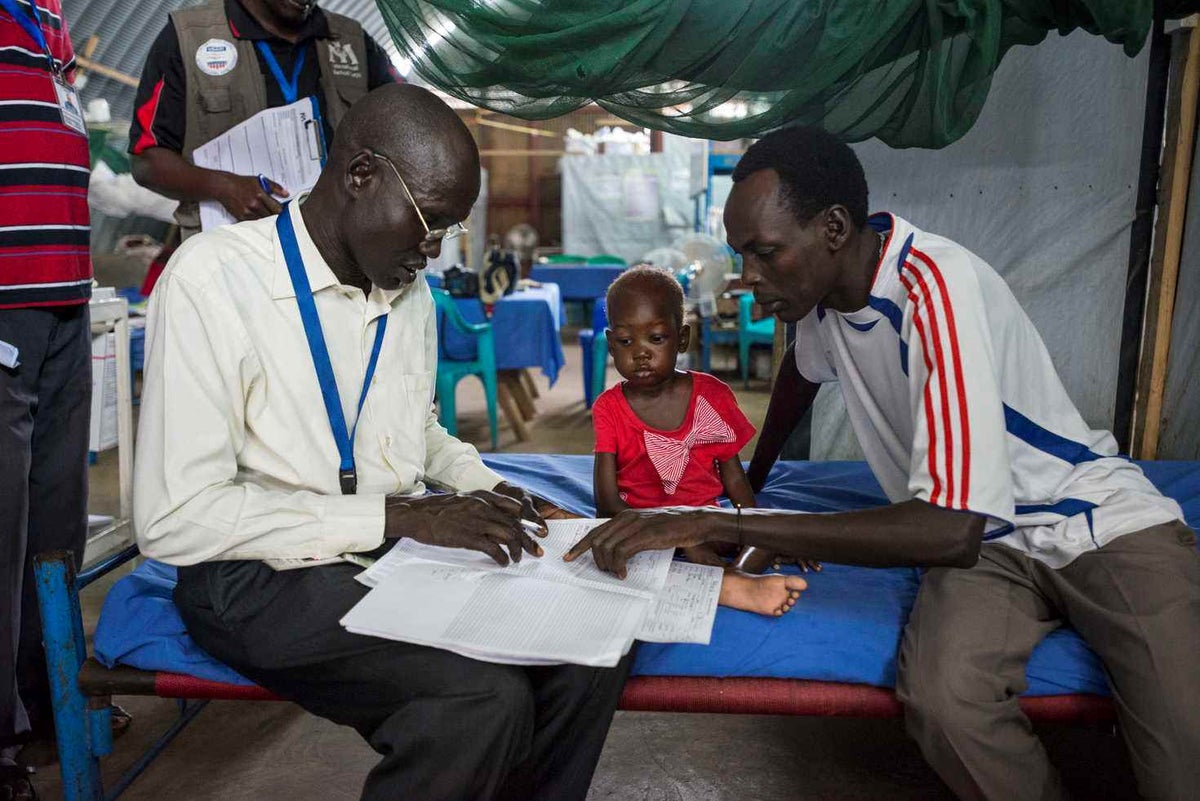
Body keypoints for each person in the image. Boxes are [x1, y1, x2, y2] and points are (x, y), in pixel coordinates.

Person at [566, 125, 1200, 800]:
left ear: (833, 228)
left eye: (764, 252)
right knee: (944, 701)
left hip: (1095, 519)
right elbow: (799, 376)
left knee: (1183, 741)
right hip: (989, 547)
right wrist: (757, 474)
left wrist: (727, 522)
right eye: (741, 255)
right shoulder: (823, 302)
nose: (748, 278)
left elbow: (947, 527)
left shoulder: (935, 288)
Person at [134, 84, 631, 801]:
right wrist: (400, 517)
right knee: (480, 699)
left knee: (591, 643)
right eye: (430, 222)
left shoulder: (409, 293)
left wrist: (487, 486)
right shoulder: (215, 280)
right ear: (360, 177)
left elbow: (417, 428)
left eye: (448, 230)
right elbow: (175, 517)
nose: (432, 251)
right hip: (253, 572)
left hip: (382, 551)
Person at [592, 267, 807, 616]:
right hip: (641, 529)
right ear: (610, 341)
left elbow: (734, 478)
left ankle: (737, 576)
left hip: (708, 524)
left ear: (681, 339)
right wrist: (675, 536)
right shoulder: (609, 408)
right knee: (609, 545)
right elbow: (605, 505)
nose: (641, 353)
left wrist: (756, 526)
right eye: (625, 341)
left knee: (769, 532)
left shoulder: (712, 395)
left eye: (656, 338)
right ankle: (725, 582)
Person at [0, 0, 92, 797]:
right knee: (0, 529)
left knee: (56, 519)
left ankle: (52, 697)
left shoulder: (50, 24)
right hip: (5, 301)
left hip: (67, 299)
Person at [129, 0, 400, 241]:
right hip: (230, 254)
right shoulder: (189, 37)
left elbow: (408, 127)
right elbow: (147, 160)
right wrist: (223, 186)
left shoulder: (352, 41)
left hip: (334, 251)